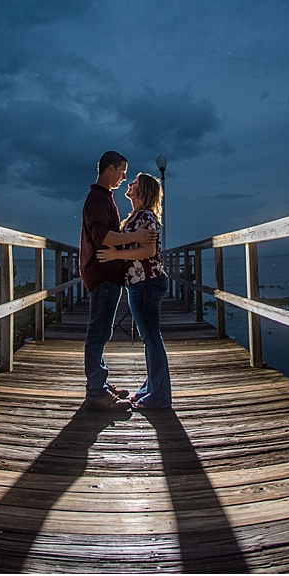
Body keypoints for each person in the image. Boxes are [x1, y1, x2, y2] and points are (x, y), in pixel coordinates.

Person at [79, 151, 156, 411]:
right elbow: (101, 236)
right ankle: (96, 391)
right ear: (110, 169)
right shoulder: (98, 199)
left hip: (106, 273)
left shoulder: (103, 198)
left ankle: (99, 382)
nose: (124, 177)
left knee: (102, 331)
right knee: (99, 331)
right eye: (122, 171)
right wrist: (134, 240)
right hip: (102, 273)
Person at [96, 172, 171, 410]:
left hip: (147, 281)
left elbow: (148, 251)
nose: (129, 184)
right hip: (140, 282)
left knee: (152, 339)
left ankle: (159, 397)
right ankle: (151, 388)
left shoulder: (146, 216)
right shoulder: (137, 217)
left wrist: (116, 254)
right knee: (150, 338)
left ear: (143, 191)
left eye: (135, 183)